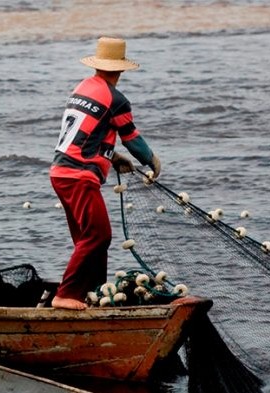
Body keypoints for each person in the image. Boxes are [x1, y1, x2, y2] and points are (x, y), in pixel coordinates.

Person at [49, 37, 162, 310]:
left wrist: (111, 158)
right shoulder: (116, 99)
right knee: (99, 237)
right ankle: (64, 295)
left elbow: (88, 133)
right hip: (80, 176)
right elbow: (131, 138)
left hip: (60, 172)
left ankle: (94, 291)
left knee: (87, 239)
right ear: (120, 70)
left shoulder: (82, 88)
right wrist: (152, 160)